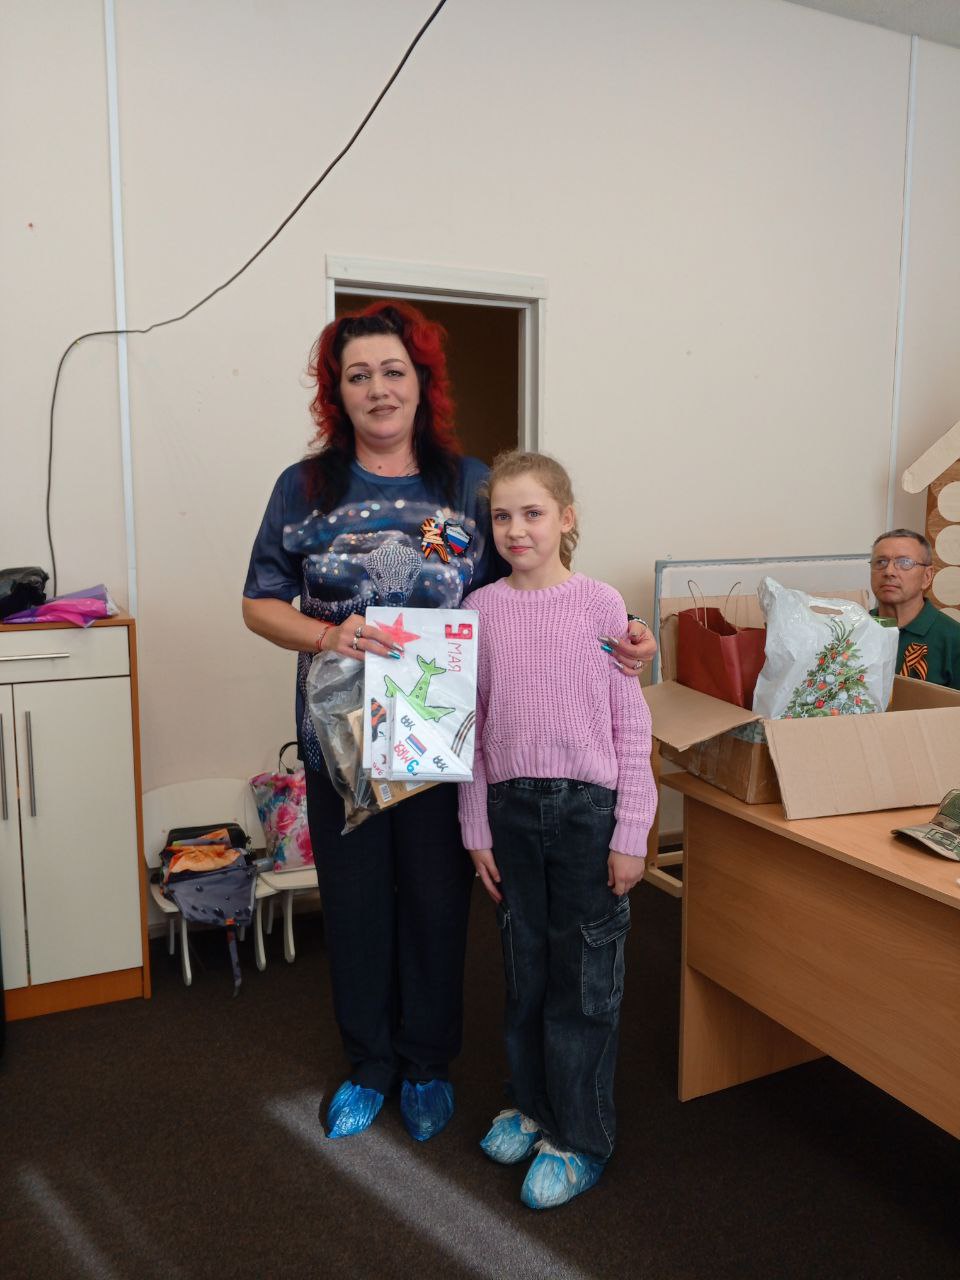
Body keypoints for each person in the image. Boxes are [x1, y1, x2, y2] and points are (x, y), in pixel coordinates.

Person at [242, 301, 654, 1145]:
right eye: (358, 375)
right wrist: (327, 634)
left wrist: (623, 639)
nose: (378, 389)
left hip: (440, 737)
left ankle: (427, 1064)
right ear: (337, 392)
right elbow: (258, 603)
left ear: (421, 381)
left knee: (436, 907)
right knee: (356, 911)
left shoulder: (463, 487)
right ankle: (370, 1065)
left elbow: (535, 588)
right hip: (343, 746)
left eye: (393, 371)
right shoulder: (305, 487)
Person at [458, 449, 657, 1210]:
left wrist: (632, 831)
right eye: (502, 516)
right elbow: (471, 728)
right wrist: (475, 825)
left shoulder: (602, 605)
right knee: (525, 972)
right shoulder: (479, 609)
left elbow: (629, 724)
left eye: (533, 513)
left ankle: (580, 1137)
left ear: (566, 518)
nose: (517, 529)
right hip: (509, 814)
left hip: (587, 817)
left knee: (583, 984)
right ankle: (532, 1107)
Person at [870, 528, 960, 687]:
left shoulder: (953, 639)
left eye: (904, 563)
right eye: (881, 562)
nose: (889, 571)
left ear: (927, 576)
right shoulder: (854, 631)